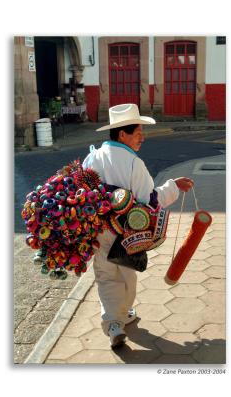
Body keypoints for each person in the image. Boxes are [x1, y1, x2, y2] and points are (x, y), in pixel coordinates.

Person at [82, 103, 194, 348]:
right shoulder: (134, 164)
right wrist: (173, 186)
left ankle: (113, 324)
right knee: (126, 276)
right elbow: (150, 202)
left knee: (105, 277)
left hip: (100, 232)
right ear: (122, 134)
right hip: (128, 235)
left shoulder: (93, 157)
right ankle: (121, 316)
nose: (142, 137)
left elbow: (82, 192)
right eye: (138, 132)